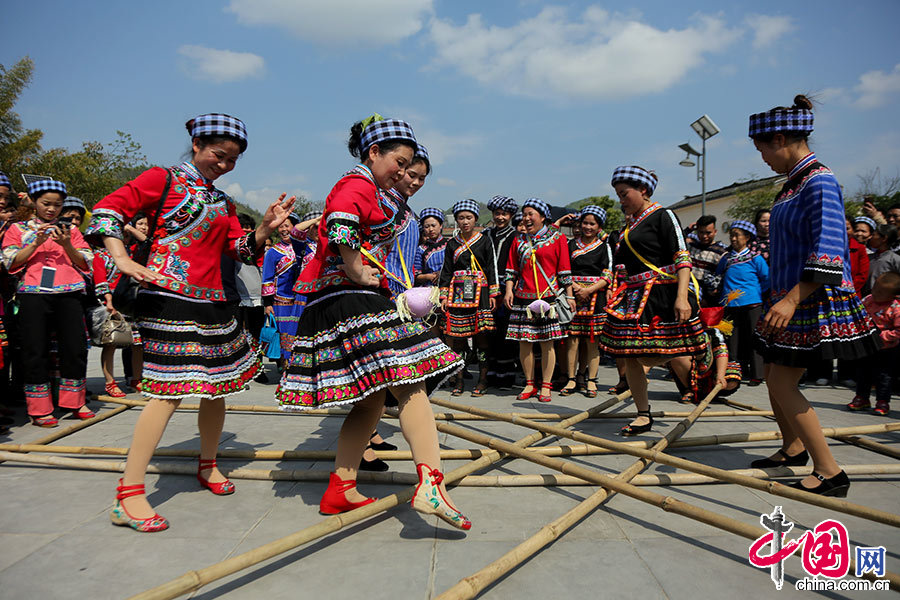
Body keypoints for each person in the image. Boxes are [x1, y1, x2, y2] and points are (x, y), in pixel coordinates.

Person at [86, 113, 295, 532]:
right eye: (220, 155)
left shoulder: (224, 202)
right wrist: (122, 257)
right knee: (166, 393)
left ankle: (208, 463)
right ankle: (128, 494)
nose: (225, 165)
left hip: (215, 301)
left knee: (217, 388)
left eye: (233, 160)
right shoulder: (161, 179)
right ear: (197, 144)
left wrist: (265, 228)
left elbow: (240, 250)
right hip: (168, 298)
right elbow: (108, 211)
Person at [276, 115, 470, 530]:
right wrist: (354, 265)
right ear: (374, 152)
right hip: (351, 297)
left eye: (409, 167)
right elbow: (341, 223)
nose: (403, 173)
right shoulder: (358, 183)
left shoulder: (378, 192)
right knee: (411, 384)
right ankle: (431, 485)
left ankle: (341, 487)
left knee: (371, 398)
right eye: (399, 163)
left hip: (338, 299)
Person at [748, 95, 880, 497]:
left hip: (809, 299)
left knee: (785, 382)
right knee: (772, 376)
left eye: (764, 151)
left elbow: (830, 251)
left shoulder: (819, 180)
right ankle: (792, 448)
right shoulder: (792, 184)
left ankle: (830, 471)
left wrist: (789, 300)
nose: (764, 160)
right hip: (787, 297)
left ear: (781, 139)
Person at [599, 166, 706, 435]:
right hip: (634, 298)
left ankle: (700, 377)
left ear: (643, 191)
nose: (621, 201)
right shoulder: (629, 224)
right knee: (632, 355)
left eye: (624, 194)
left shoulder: (664, 215)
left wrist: (682, 297)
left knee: (668, 352)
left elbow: (682, 258)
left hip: (662, 295)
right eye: (618, 195)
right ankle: (643, 414)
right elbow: (623, 264)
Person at [1, 179, 95, 427]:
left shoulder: (70, 230)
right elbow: (11, 262)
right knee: (35, 350)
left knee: (74, 348)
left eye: (57, 204)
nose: (52, 209)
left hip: (70, 292)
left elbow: (86, 262)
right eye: (46, 204)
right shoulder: (18, 230)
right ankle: (39, 408)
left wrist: (66, 244)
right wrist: (35, 243)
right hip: (33, 294)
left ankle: (75, 402)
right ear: (33, 202)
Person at [503, 198, 575, 403]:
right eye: (524, 214)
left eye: (530, 214)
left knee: (547, 343)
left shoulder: (557, 238)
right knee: (525, 343)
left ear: (542, 217)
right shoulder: (518, 239)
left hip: (548, 297)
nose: (526, 218)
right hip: (523, 297)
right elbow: (511, 268)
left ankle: (546, 385)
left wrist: (569, 295)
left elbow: (564, 270)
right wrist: (509, 290)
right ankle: (528, 383)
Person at [439, 199, 498, 396]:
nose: (465, 222)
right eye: (461, 218)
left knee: (481, 338)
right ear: (456, 220)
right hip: (457, 295)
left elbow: (491, 267)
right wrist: (444, 296)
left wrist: (493, 293)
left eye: (469, 218)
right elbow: (446, 271)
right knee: (459, 339)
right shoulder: (452, 243)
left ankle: (482, 379)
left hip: (480, 293)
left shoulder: (484, 240)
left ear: (475, 219)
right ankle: (460, 379)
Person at [560, 206, 613, 398]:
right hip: (573, 296)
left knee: (593, 341)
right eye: (585, 223)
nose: (588, 227)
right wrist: (576, 289)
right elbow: (563, 270)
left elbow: (607, 274)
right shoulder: (570, 245)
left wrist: (589, 290)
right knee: (572, 341)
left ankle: (591, 380)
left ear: (599, 226)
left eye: (592, 223)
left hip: (595, 297)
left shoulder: (604, 247)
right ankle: (572, 378)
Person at [715, 220, 769, 385]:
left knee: (753, 338)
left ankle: (757, 374)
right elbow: (719, 276)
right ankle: (735, 372)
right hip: (731, 306)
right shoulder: (727, 258)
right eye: (731, 235)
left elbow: (766, 278)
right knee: (732, 340)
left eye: (737, 235)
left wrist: (756, 295)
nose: (733, 239)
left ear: (747, 237)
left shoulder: (755, 258)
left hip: (752, 304)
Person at [846, 272, 900, 416]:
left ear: (892, 295)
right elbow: (857, 314)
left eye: (881, 292)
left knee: (884, 376)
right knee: (863, 372)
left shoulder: (895, 308)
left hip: (886, 349)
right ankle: (862, 397)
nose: (875, 293)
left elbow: (898, 331)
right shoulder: (868, 300)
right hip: (867, 345)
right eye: (875, 288)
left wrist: (882, 336)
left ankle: (883, 401)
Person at [483, 195, 519, 389]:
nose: (500, 217)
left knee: (506, 333)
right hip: (488, 289)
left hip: (507, 290)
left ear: (511, 215)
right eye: (497, 213)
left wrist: (507, 290)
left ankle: (506, 376)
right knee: (490, 332)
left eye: (504, 214)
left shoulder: (516, 236)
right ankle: (490, 372)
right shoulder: (487, 234)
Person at [688, 214, 728, 306]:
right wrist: (688, 230)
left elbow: (720, 279)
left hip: (708, 299)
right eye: (701, 232)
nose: (704, 236)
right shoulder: (691, 247)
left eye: (708, 233)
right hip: (689, 292)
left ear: (715, 232)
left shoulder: (722, 253)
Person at [863, 224, 900, 296]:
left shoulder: (894, 260)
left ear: (884, 238)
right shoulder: (868, 257)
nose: (870, 238)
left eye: (873, 235)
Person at [414, 207, 447, 287]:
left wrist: (443, 273)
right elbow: (416, 274)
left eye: (433, 225)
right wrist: (429, 276)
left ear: (441, 225)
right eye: (427, 226)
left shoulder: (450, 244)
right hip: (429, 289)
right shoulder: (421, 249)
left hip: (448, 286)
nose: (431, 229)